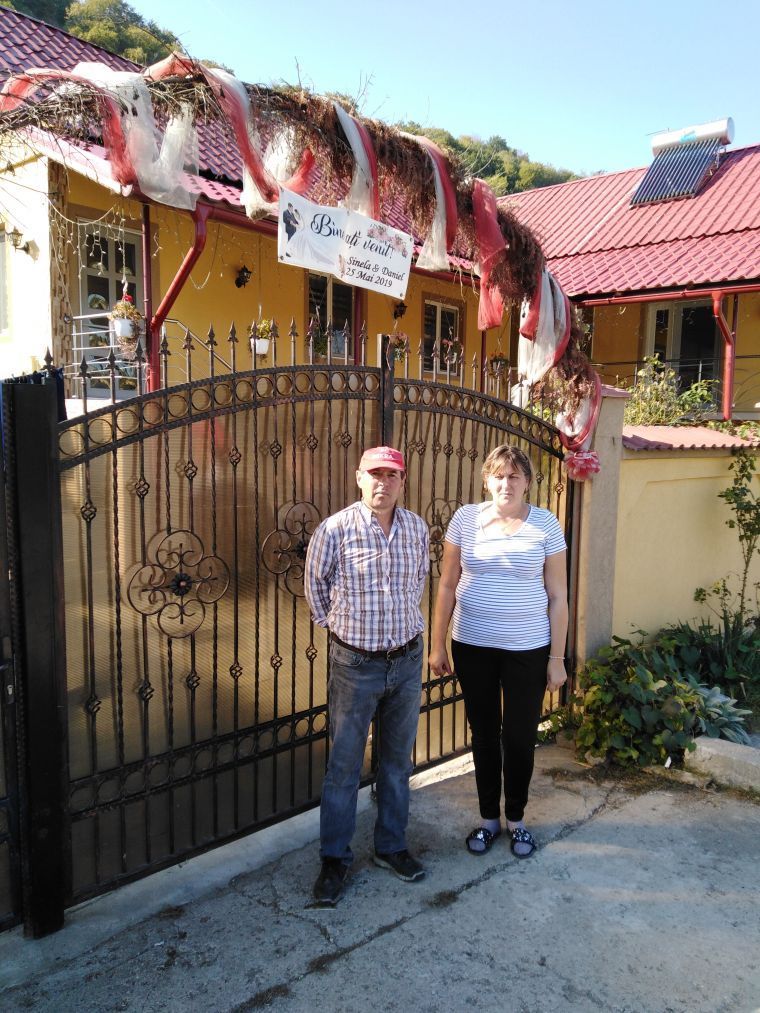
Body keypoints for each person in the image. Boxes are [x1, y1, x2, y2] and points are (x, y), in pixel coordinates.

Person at [429, 444, 568, 858]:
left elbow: (558, 596)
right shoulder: (465, 519)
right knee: (485, 734)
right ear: (487, 480)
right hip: (472, 644)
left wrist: (557, 659)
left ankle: (517, 819)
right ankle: (489, 818)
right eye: (499, 476)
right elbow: (447, 585)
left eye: (514, 476)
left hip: (528, 647)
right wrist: (437, 645)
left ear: (527, 482)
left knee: (521, 737)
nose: (506, 484)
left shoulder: (545, 524)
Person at [305, 446, 430, 906]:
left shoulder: (416, 528)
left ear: (402, 481)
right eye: (374, 474)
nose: (383, 482)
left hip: (407, 660)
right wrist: (343, 629)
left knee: (397, 762)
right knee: (343, 767)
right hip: (355, 665)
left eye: (391, 475)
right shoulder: (335, 529)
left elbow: (418, 581)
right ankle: (334, 859)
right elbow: (315, 587)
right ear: (359, 477)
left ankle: (390, 847)